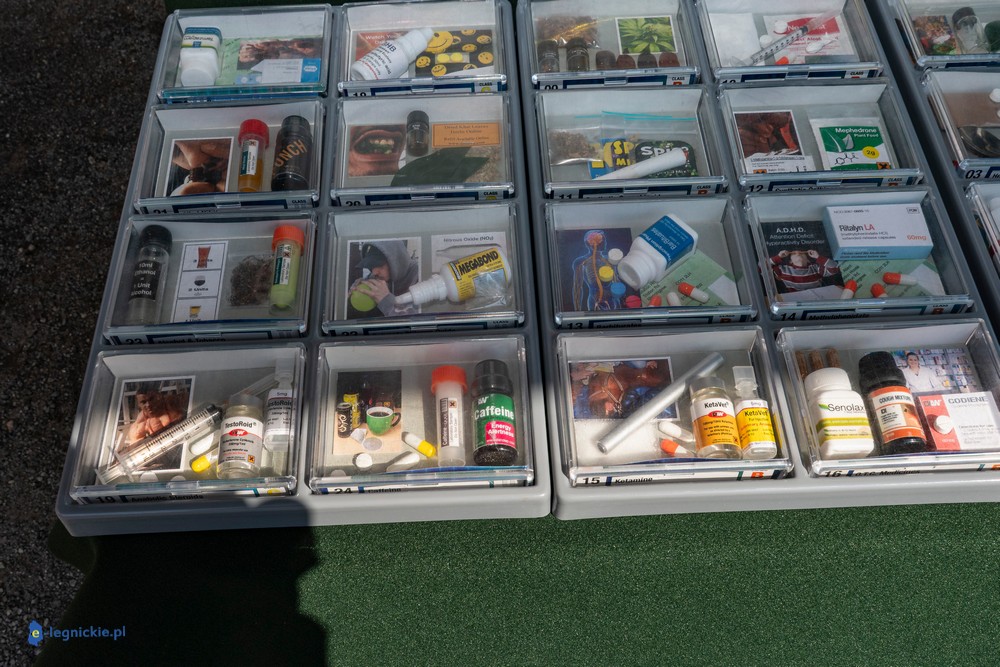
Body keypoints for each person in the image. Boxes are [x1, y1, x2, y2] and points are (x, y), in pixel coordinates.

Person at [347, 241, 420, 318]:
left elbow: (417, 320)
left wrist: (386, 300)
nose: (374, 272)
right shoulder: (374, 277)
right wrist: (352, 299)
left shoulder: (419, 276)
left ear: (395, 261)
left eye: (380, 265)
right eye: (371, 266)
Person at [770, 249, 841, 293]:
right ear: (791, 261)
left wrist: (818, 257)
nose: (798, 253)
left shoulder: (815, 268)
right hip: (795, 299)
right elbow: (764, 267)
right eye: (794, 253)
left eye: (801, 253)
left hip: (817, 297)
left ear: (808, 260)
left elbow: (835, 268)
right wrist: (778, 257)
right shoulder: (783, 269)